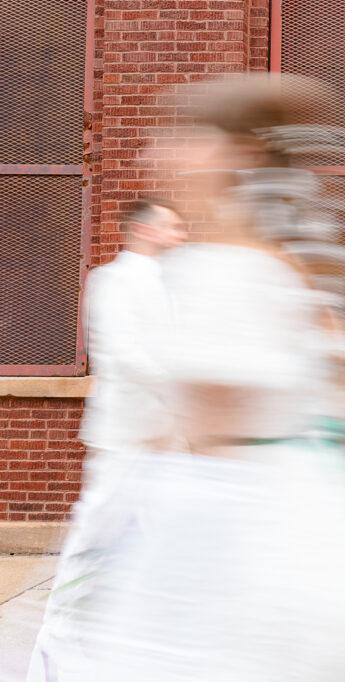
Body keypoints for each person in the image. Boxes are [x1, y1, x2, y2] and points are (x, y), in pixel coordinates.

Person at [85, 75, 345, 680]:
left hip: (240, 521)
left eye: (184, 135)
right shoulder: (263, 264)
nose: (156, 152)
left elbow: (200, 413)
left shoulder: (231, 266)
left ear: (235, 153)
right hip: (269, 498)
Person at [26, 198, 186, 682]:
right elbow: (122, 353)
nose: (179, 235)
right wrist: (179, 387)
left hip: (164, 436)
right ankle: (54, 655)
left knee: (168, 539)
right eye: (172, 227)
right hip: (124, 435)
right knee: (93, 543)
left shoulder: (167, 283)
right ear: (144, 230)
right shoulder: (112, 280)